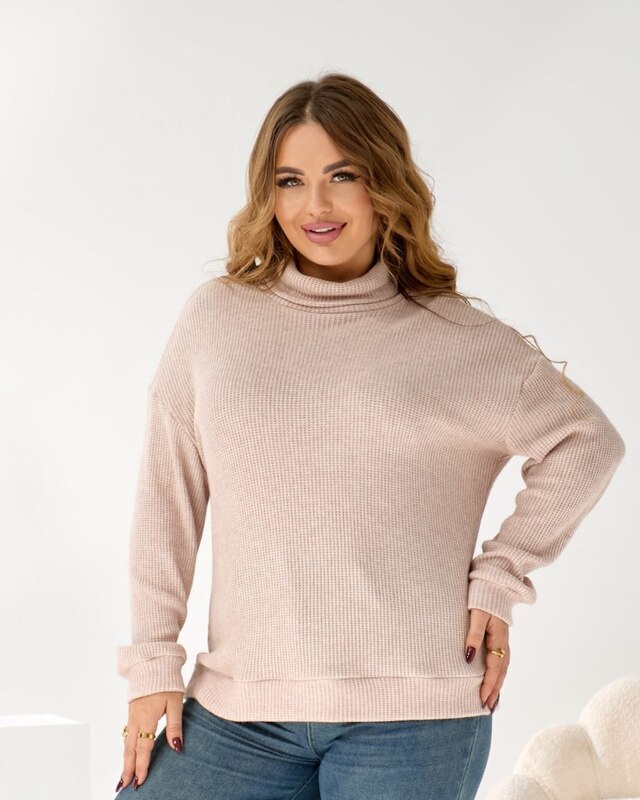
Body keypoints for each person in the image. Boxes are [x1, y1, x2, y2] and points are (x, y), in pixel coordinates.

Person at [113, 73, 625, 799]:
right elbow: (167, 503)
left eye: (342, 176)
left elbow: (588, 442)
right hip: (237, 712)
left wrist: (501, 574)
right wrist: (151, 665)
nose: (315, 206)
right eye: (290, 181)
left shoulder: (458, 338)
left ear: (384, 183)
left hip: (415, 718)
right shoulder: (216, 319)